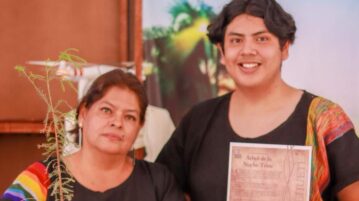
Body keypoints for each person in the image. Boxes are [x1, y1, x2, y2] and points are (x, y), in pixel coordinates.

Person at [156, 0, 359, 201]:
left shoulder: (324, 120)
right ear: (222, 52)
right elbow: (159, 188)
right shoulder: (198, 121)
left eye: (261, 39)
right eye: (236, 40)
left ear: (285, 47)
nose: (248, 50)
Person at [1, 69, 184, 201]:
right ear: (82, 114)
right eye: (106, 110)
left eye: (129, 117)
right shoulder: (41, 178)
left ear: (140, 127)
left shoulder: (158, 183)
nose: (117, 122)